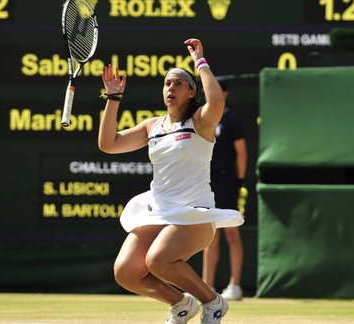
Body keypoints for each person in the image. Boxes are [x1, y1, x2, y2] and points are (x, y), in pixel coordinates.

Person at [98, 38, 244, 324]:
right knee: (125, 272)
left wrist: (200, 61)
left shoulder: (201, 122)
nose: (170, 88)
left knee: (157, 261)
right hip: (158, 212)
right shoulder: (152, 126)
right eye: (167, 84)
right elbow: (108, 143)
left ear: (192, 92)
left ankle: (213, 303)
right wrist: (113, 98)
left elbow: (217, 100)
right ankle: (180, 304)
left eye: (178, 83)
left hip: (194, 216)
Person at [202, 80, 247, 301]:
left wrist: (239, 182)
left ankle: (235, 285)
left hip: (227, 180)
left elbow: (242, 153)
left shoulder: (232, 120)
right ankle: (206, 286)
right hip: (206, 181)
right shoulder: (202, 117)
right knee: (209, 233)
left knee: (231, 232)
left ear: (225, 94)